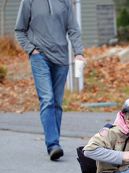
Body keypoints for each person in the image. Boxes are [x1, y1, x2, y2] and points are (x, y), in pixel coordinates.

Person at [15, 0, 85, 160]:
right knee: (47, 99)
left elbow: (73, 29)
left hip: (61, 59)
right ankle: (53, 145)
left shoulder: (65, 2)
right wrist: (31, 50)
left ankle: (55, 142)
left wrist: (78, 52)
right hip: (40, 56)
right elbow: (20, 30)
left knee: (57, 103)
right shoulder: (29, 2)